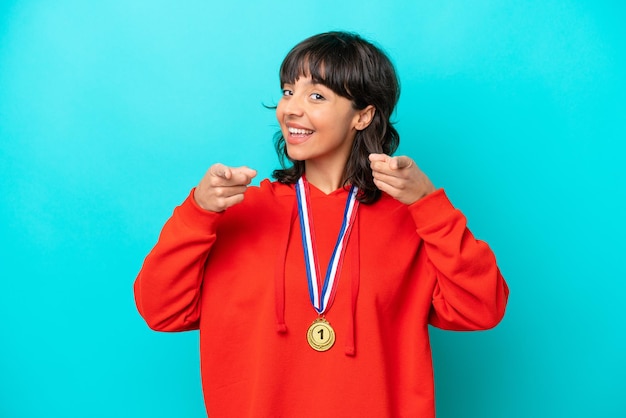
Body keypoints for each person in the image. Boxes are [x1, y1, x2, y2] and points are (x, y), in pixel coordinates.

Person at [134, 31, 509, 418]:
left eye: (316, 96)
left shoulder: (411, 221)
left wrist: (429, 205)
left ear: (362, 115)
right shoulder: (240, 211)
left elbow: (482, 308)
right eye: (287, 92)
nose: (291, 109)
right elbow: (160, 310)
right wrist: (198, 210)